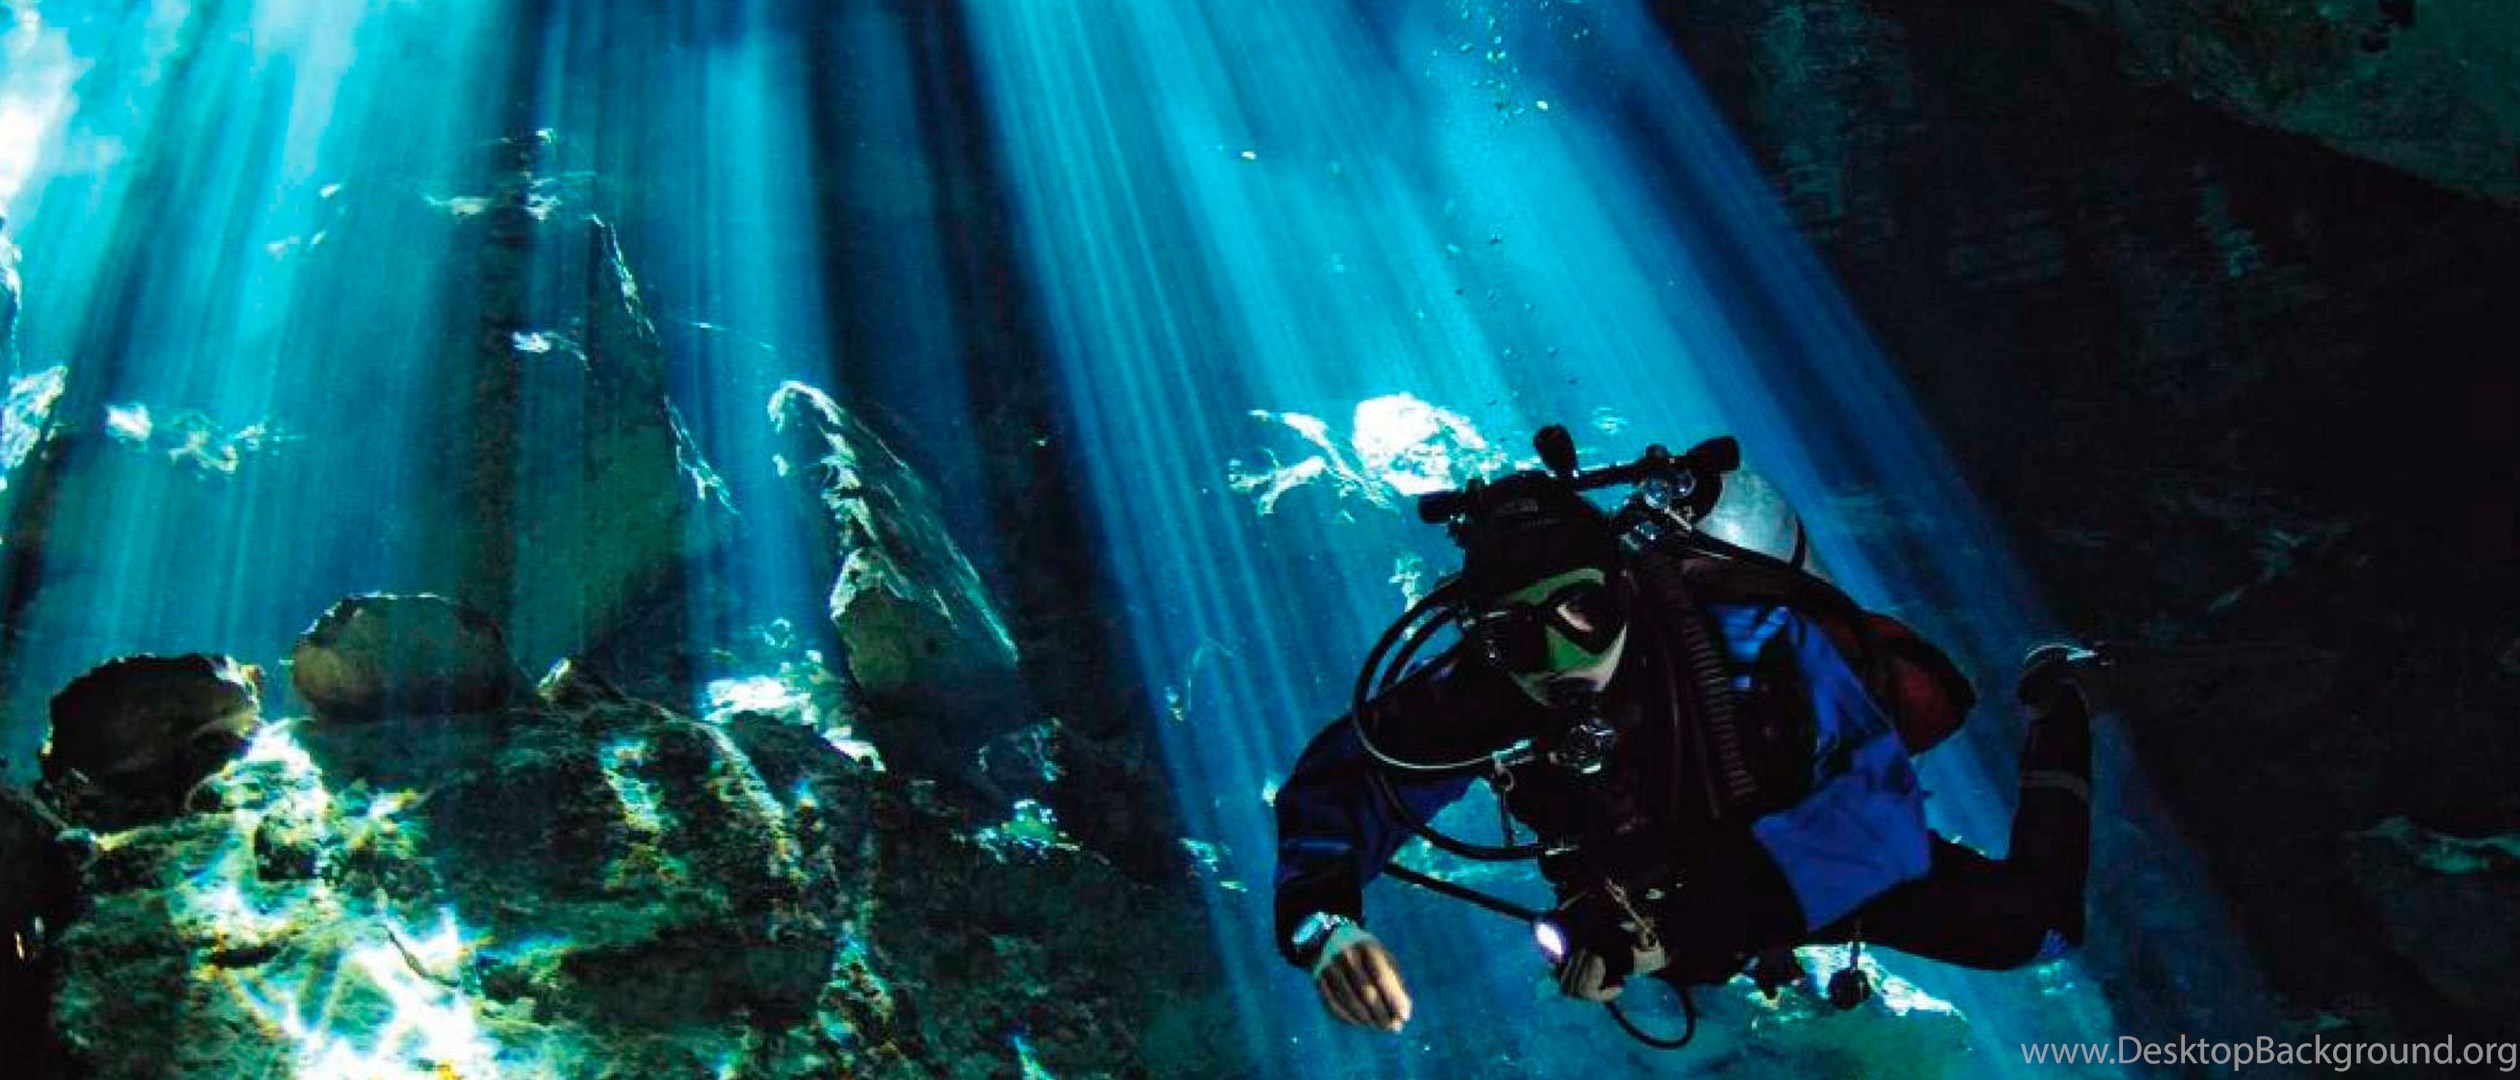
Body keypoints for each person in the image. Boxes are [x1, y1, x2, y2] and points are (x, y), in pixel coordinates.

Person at [1271, 465, 2096, 1032]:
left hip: (1800, 860)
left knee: (2039, 927)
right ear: (1487, 640)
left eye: (1582, 612)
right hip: (1653, 906)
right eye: (1518, 634)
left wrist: (1664, 933)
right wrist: (1323, 925)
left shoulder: (1750, 637)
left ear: (1623, 593)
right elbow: (1343, 784)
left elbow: (1876, 821)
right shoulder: (1486, 685)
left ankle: (2060, 700)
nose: (1559, 657)